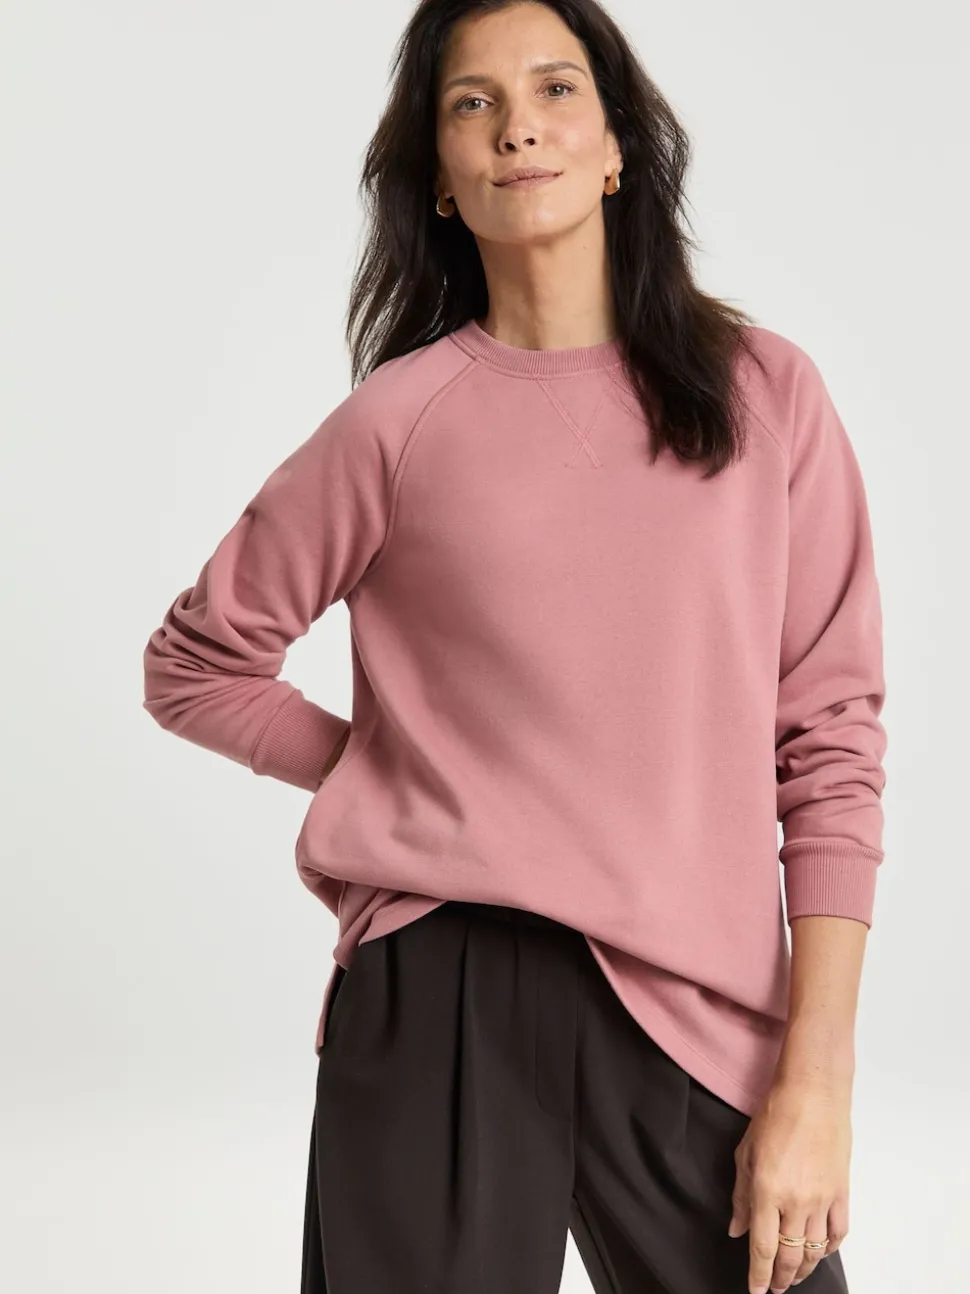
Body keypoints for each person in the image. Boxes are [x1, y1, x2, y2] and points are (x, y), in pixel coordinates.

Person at [142, 2, 888, 1292]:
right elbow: (196, 666)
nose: (517, 128)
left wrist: (817, 1083)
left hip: (697, 1008)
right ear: (439, 175)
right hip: (440, 989)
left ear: (617, 145)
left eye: (554, 90)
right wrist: (399, 773)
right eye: (472, 103)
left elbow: (829, 747)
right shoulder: (396, 425)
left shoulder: (767, 396)